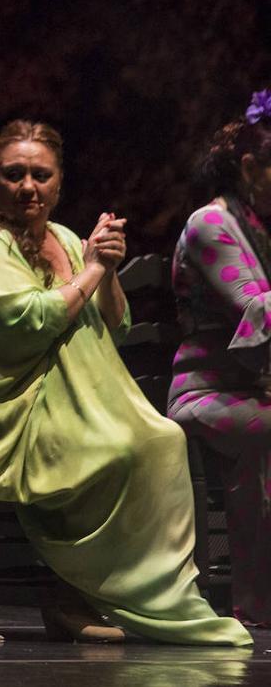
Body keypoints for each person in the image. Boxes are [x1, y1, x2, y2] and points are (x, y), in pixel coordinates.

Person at [0, 119, 251, 646]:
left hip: (79, 401)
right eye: (15, 174)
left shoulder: (60, 236)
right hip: (13, 413)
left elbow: (115, 324)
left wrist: (109, 268)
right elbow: (30, 321)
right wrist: (94, 269)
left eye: (41, 175)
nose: (28, 187)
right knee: (126, 450)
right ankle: (81, 591)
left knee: (162, 439)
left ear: (59, 182)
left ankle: (121, 595)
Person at [168, 88, 271, 627]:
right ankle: (260, 600)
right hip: (207, 391)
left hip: (256, 390)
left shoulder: (261, 224)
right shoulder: (211, 224)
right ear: (252, 166)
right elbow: (258, 311)